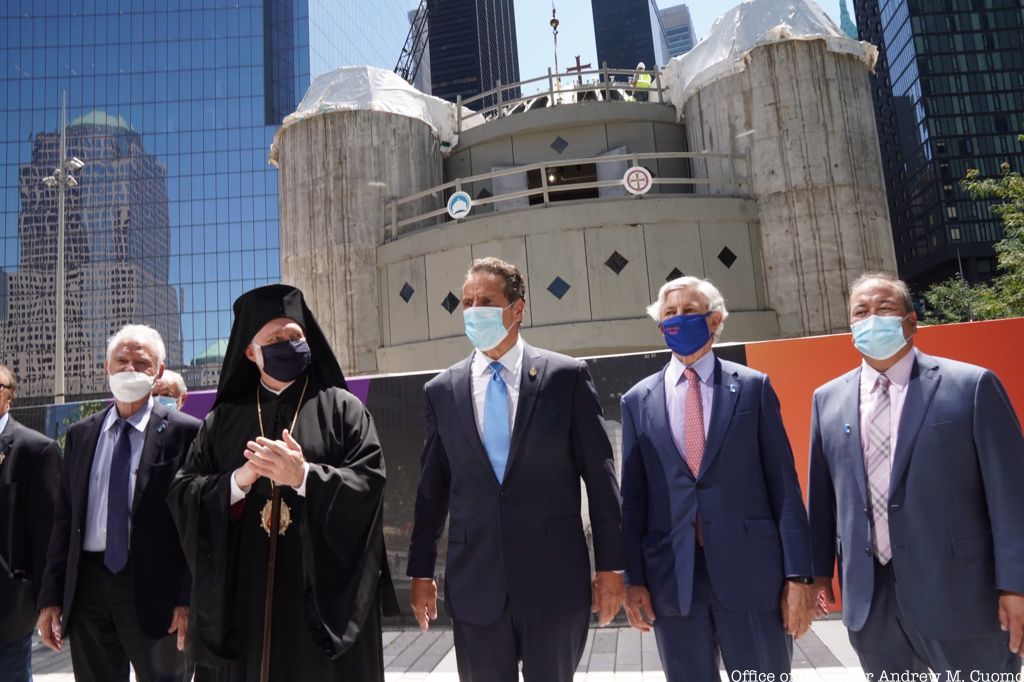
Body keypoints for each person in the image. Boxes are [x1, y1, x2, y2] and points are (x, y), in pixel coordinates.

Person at [407, 257, 626, 682]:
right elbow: (431, 491)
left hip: (555, 583)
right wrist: (419, 571)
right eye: (467, 303)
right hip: (475, 585)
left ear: (517, 309)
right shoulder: (441, 390)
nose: (474, 311)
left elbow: (601, 481)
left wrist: (611, 569)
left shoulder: (565, 377)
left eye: (486, 301)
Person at [167, 284, 397, 682]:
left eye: (296, 337)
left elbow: (370, 483)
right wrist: (237, 483)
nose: (288, 345)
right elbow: (183, 492)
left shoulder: (343, 410)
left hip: (320, 601)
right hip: (245, 600)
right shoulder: (222, 422)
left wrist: (305, 477)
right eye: (275, 339)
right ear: (250, 352)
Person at [807, 272, 1024, 678]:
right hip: (872, 603)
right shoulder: (828, 400)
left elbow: (1011, 497)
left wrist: (1017, 586)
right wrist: (818, 575)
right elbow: (823, 500)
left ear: (911, 321)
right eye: (861, 311)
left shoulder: (971, 386)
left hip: (962, 598)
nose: (872, 318)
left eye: (884, 308)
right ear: (850, 326)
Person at [619, 276, 816, 681]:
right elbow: (633, 501)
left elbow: (784, 487)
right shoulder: (637, 400)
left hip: (754, 579)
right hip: (673, 583)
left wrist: (799, 576)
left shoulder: (753, 388)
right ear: (660, 327)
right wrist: (633, 580)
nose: (678, 320)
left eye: (690, 311)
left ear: (715, 319)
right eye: (670, 314)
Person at [37, 325, 200, 682]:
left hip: (157, 591)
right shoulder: (81, 435)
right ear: (106, 368)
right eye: (121, 360)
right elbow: (64, 519)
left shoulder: (185, 433)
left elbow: (197, 524)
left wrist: (186, 598)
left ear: (158, 371)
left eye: (141, 362)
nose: (130, 369)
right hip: (88, 589)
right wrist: (51, 596)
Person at [0, 366, 61, 682]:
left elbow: (49, 534)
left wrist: (46, 601)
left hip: (8, 616)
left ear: (9, 395)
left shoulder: (36, 450)